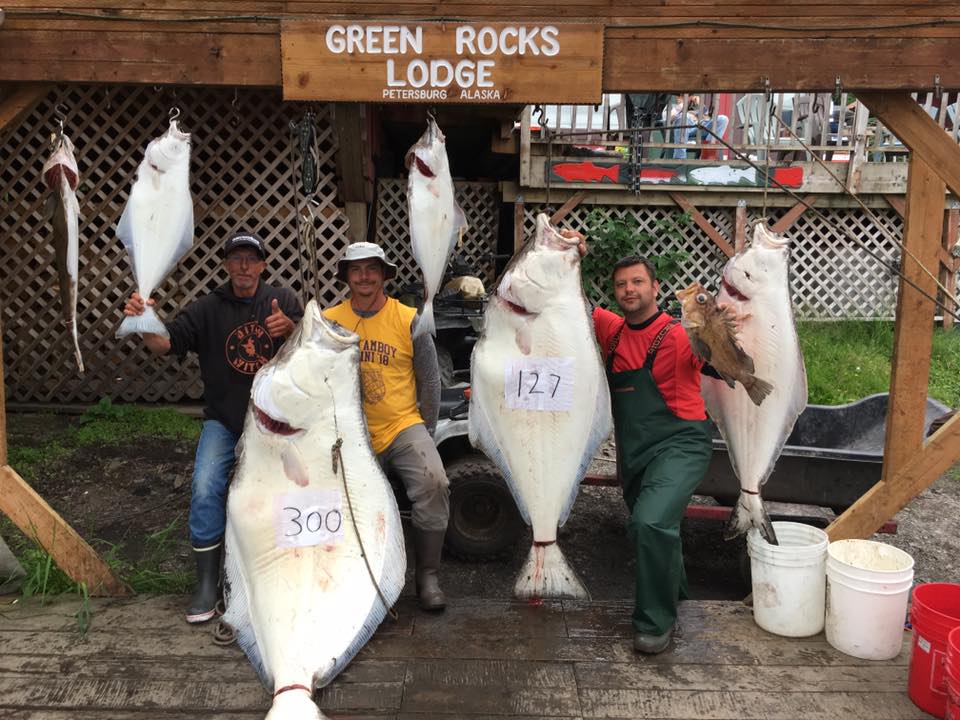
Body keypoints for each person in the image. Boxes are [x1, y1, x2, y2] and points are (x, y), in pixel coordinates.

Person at [123, 231, 303, 624]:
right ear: (226, 265)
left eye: (250, 259)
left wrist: (291, 331)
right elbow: (165, 343)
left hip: (275, 424)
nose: (243, 266)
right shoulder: (207, 308)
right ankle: (207, 584)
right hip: (224, 420)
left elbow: (312, 350)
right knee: (206, 486)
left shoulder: (283, 301)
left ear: (262, 265)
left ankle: (284, 573)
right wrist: (142, 319)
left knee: (290, 490)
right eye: (236, 259)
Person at [576, 239, 713, 654]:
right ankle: (680, 597)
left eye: (638, 281)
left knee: (649, 524)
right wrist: (570, 257)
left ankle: (655, 623)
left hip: (682, 444)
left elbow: (722, 365)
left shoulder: (679, 334)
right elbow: (570, 302)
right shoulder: (610, 331)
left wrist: (715, 332)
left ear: (656, 288)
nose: (629, 290)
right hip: (635, 452)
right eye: (621, 285)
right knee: (658, 528)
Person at [323, 242, 449, 611]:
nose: (364, 277)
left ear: (384, 275)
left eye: (371, 269)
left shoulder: (409, 318)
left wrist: (424, 429)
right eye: (356, 270)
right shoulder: (329, 320)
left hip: (401, 424)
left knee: (434, 482)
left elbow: (430, 381)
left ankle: (427, 575)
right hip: (347, 430)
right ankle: (360, 573)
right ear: (346, 277)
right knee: (347, 502)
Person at [666, 94, 729, 160]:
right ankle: (679, 158)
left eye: (688, 96)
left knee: (723, 119)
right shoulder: (674, 107)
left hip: (700, 127)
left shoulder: (697, 108)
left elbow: (708, 119)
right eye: (681, 96)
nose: (679, 98)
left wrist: (700, 105)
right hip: (685, 129)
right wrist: (683, 104)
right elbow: (670, 118)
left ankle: (707, 156)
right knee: (683, 117)